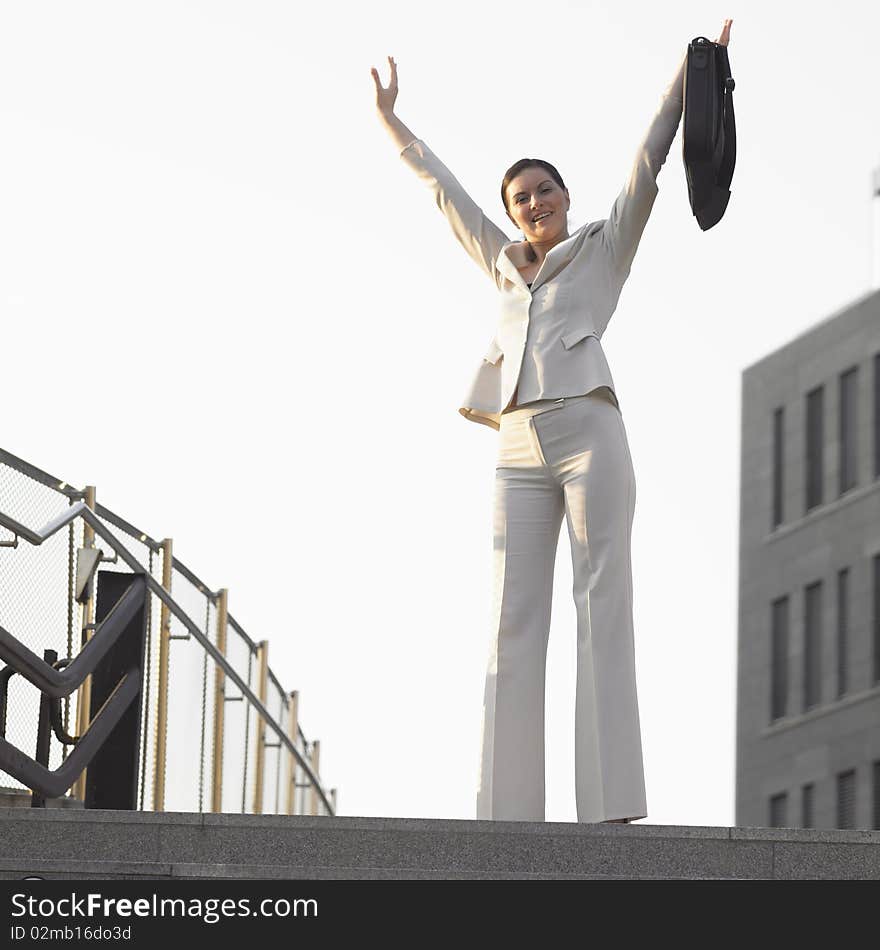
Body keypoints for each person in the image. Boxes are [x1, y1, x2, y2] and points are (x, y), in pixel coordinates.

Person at [371, 19, 733, 824]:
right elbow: (443, 191)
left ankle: (607, 807)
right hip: (515, 444)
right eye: (520, 197)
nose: (532, 203)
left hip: (589, 435)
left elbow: (647, 161)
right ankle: (506, 814)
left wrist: (691, 73)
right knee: (509, 618)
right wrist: (394, 124)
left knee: (603, 598)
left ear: (566, 199)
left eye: (544, 190)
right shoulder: (498, 260)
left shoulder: (603, 247)